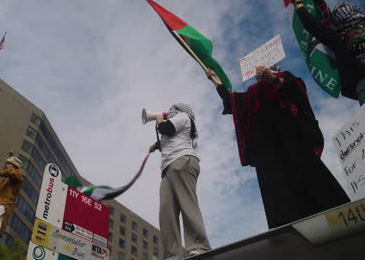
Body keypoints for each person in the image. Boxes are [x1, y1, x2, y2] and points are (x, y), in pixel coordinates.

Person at [209, 66, 350, 229]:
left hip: (291, 138)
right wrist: (217, 83)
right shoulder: (251, 93)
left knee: (310, 179)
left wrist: (274, 80)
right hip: (267, 150)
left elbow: (297, 92)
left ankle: (338, 214)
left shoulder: (285, 77)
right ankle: (286, 230)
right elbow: (232, 102)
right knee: (278, 190)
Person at [149, 103, 210, 259]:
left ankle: (199, 246)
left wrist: (159, 121)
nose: (170, 111)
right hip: (168, 169)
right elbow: (168, 137)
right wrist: (157, 145)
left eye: (173, 109)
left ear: (181, 110)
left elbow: (166, 128)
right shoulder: (176, 122)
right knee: (166, 211)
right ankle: (173, 255)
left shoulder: (183, 117)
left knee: (187, 204)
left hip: (183, 161)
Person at [290, 0, 365, 104]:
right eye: (336, 12)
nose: (340, 10)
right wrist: (299, 4)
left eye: (343, 6)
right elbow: (313, 25)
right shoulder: (338, 38)